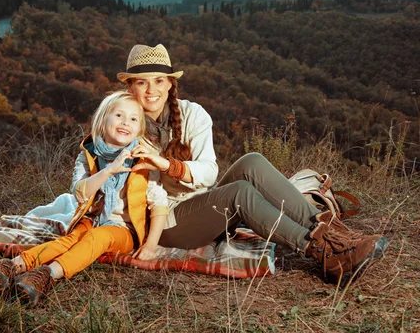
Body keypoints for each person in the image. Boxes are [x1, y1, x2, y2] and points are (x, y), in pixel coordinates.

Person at [117, 43, 388, 283]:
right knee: (240, 194)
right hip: (167, 224)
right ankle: (325, 255)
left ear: (169, 84)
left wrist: (167, 166)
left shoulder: (191, 114)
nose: (151, 90)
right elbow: (146, 195)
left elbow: (209, 173)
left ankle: (336, 237)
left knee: (252, 161)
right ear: (130, 86)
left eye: (159, 80)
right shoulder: (124, 125)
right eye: (141, 82)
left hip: (200, 200)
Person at [0, 91, 169, 305]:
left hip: (125, 229)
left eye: (133, 119)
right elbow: (79, 192)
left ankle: (47, 276)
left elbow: (159, 203)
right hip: (92, 218)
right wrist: (108, 171)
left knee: (97, 238)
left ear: (139, 129)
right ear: (103, 120)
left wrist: (151, 245)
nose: (126, 123)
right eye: (119, 116)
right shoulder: (88, 154)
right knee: (71, 239)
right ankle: (13, 266)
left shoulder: (142, 159)